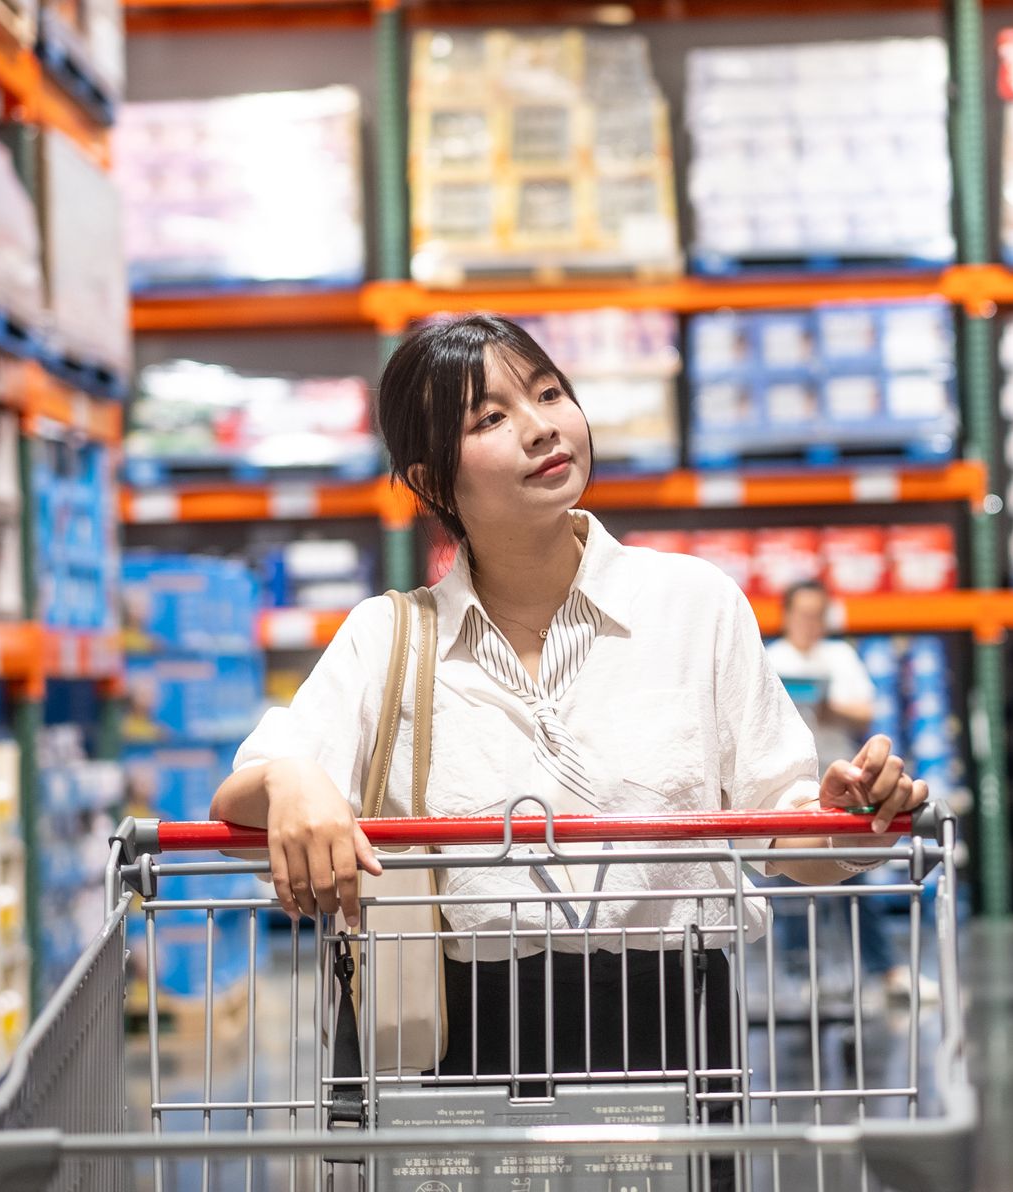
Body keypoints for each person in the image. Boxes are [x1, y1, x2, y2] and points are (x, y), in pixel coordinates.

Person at [207, 313, 930, 1131]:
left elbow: (789, 836)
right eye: (490, 417)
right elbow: (245, 790)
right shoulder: (389, 637)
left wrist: (850, 815)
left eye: (549, 393)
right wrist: (294, 777)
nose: (540, 426)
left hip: (676, 1026)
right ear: (431, 481)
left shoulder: (694, 607)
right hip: (459, 1040)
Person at [764, 580, 935, 1003]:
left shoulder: (840, 656)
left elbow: (867, 710)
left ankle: (885, 970)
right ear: (787, 615)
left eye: (817, 614)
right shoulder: (770, 657)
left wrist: (827, 708)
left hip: (844, 788)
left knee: (858, 873)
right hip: (793, 789)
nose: (809, 623)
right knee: (792, 883)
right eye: (802, 614)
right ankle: (804, 978)